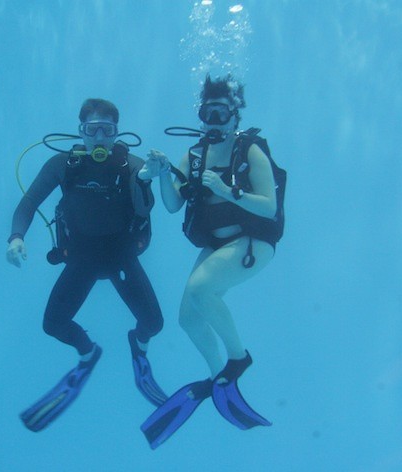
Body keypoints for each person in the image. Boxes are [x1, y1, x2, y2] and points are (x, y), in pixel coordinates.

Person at [6, 98, 167, 432]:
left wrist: (146, 179)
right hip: (83, 257)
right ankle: (88, 353)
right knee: (53, 324)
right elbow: (28, 203)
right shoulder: (62, 165)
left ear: (116, 133)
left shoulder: (132, 165)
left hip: (120, 255)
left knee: (153, 322)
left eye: (106, 131)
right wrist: (16, 237)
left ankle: (138, 345)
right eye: (91, 130)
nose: (98, 138)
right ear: (80, 132)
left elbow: (144, 209)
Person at [138, 75, 281, 449]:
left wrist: (226, 190)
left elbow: (269, 206)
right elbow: (172, 205)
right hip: (217, 247)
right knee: (187, 317)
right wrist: (161, 175)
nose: (213, 120)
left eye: (221, 112)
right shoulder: (194, 156)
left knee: (202, 289)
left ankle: (238, 359)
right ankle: (220, 375)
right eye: (207, 112)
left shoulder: (250, 151)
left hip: (253, 241)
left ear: (235, 116)